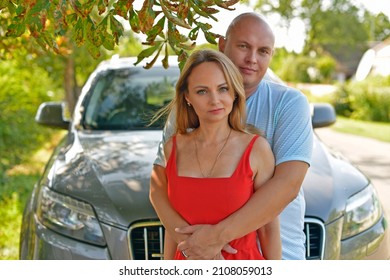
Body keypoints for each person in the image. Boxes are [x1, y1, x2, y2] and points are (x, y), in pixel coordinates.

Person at [149, 12, 313, 260]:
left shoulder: (289, 104)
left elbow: (287, 185)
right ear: (223, 46)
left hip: (279, 255)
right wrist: (192, 244)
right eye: (243, 46)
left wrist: (214, 239)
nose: (252, 59)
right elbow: (160, 187)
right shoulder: (189, 111)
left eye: (263, 51)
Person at [152, 49, 281, 260]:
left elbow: (268, 229)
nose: (215, 100)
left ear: (234, 93)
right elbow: (172, 229)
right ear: (187, 97)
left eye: (223, 89)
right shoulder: (173, 148)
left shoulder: (257, 150)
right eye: (202, 91)